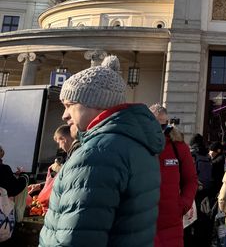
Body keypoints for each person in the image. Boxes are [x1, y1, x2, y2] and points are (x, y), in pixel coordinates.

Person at [39, 55, 164, 247]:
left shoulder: (96, 154)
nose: (64, 115)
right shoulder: (136, 145)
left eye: (69, 105)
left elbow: (76, 238)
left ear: (96, 103)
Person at [149, 103, 199, 247]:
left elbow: (191, 179)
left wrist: (183, 204)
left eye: (163, 126)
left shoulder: (178, 147)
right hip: (142, 219)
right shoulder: (137, 145)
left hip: (170, 221)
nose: (159, 131)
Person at [186, 134, 214, 247]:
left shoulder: (191, 155)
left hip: (193, 192)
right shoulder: (207, 156)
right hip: (206, 193)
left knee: (190, 221)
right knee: (202, 223)